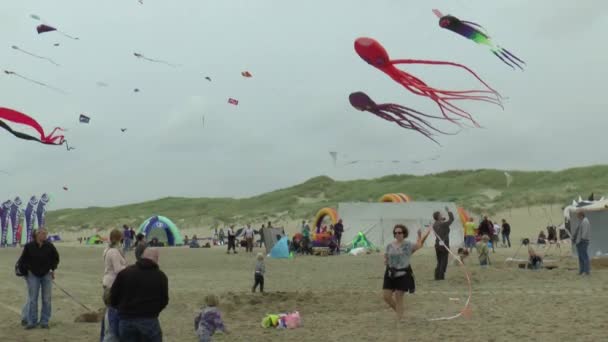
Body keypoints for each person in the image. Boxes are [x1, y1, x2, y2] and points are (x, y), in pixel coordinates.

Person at [110, 248, 168, 341]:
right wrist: (153, 311)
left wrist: (122, 309)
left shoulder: (125, 273)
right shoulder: (160, 276)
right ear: (156, 259)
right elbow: (164, 300)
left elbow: (113, 297)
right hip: (149, 320)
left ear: (141, 257)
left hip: (126, 320)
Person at [383, 224, 431, 321]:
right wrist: (386, 260)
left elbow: (419, 244)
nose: (397, 234)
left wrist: (421, 235)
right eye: (395, 233)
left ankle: (399, 319)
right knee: (386, 297)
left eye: (399, 232)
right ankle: (400, 312)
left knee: (398, 297)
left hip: (403, 274)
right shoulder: (389, 245)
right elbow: (386, 255)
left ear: (404, 234)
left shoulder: (408, 245)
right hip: (390, 273)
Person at [19, 227, 60, 329]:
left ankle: (44, 321)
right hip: (33, 275)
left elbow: (56, 258)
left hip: (46, 275)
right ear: (37, 235)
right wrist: (26, 272)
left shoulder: (49, 246)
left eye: (46, 234)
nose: (45, 236)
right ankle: (32, 321)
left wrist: (52, 268)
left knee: (47, 299)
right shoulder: (29, 246)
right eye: (43, 234)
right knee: (33, 299)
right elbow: (23, 261)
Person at [101, 229, 127, 342]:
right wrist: (129, 268)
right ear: (119, 238)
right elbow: (118, 269)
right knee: (113, 314)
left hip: (108, 282)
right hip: (113, 284)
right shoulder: (114, 252)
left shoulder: (107, 250)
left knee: (108, 313)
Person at [432, 206, 454, 280]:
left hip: (437, 244)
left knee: (439, 261)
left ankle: (437, 276)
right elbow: (451, 219)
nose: (442, 215)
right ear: (438, 217)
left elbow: (442, 222)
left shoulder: (435, 224)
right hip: (444, 245)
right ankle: (441, 276)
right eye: (440, 215)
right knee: (443, 261)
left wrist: (442, 219)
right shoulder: (442, 224)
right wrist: (449, 211)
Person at [572, 211, 591, 275]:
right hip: (579, 241)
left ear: (581, 215)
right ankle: (581, 270)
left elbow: (584, 232)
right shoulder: (582, 221)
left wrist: (581, 240)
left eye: (578, 216)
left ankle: (586, 271)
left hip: (583, 241)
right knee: (580, 257)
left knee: (584, 256)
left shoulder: (585, 221)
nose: (578, 218)